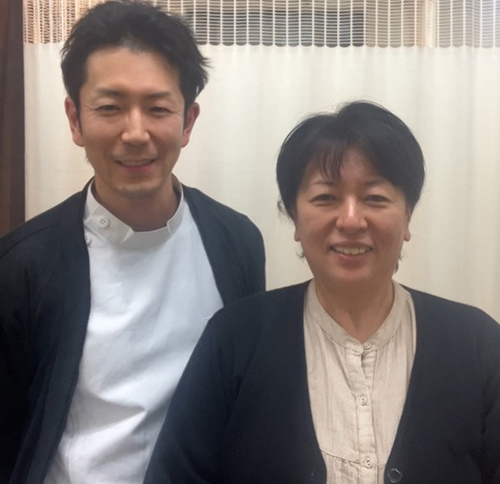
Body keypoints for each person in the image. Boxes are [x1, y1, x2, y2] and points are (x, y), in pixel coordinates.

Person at [145, 101, 500, 484]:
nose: (351, 220)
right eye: (326, 198)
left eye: (375, 198)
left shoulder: (477, 343)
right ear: (295, 218)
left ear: (408, 216)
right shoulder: (235, 338)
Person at [0, 0, 265, 484]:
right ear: (75, 120)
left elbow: (244, 398)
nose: (136, 132)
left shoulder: (237, 241)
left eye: (158, 108)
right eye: (110, 107)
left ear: (187, 122)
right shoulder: (22, 264)